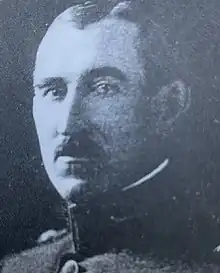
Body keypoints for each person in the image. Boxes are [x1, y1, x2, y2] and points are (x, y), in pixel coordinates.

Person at [1, 1, 193, 272]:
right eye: (54, 91)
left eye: (103, 88)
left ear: (168, 105)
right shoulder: (20, 266)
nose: (68, 124)